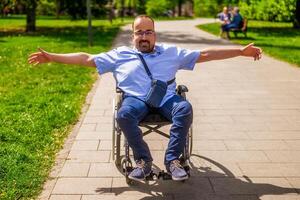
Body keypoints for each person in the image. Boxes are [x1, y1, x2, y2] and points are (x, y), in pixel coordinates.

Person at [28, 15, 262, 182]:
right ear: (133, 36)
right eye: (139, 32)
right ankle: (143, 160)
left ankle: (173, 161)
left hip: (167, 99)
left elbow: (206, 54)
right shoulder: (120, 55)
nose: (144, 36)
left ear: (154, 34)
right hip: (135, 100)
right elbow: (87, 58)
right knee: (124, 114)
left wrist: (240, 51)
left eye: (148, 31)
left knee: (185, 109)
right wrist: (53, 57)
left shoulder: (171, 52)